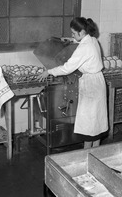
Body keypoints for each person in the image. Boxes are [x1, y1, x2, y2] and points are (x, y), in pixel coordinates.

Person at [37, 17, 108, 149]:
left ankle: (86, 156)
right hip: (98, 81)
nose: (72, 36)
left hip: (91, 85)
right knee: (97, 123)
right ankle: (96, 154)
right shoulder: (93, 40)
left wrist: (49, 72)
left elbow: (67, 68)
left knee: (89, 124)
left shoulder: (84, 47)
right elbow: (78, 42)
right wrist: (68, 40)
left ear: (81, 32)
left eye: (74, 33)